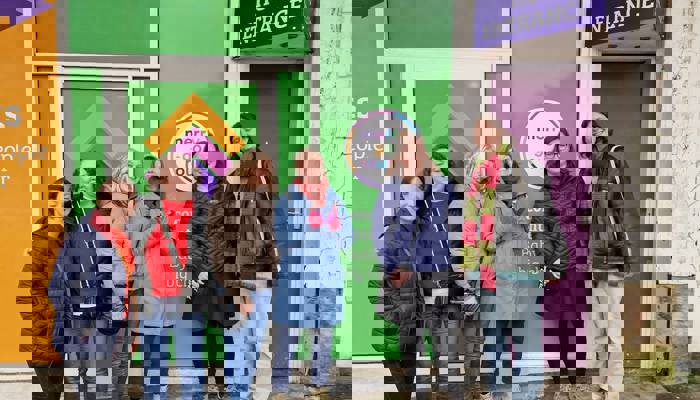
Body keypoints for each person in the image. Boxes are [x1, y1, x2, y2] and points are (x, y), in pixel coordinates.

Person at [463, 111, 569, 400]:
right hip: (517, 270)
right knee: (519, 335)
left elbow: (476, 233)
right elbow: (552, 224)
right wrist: (552, 266)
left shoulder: (484, 182)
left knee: (498, 334)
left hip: (500, 271)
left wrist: (471, 274)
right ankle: (522, 392)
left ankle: (505, 392)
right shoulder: (529, 174)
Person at [379, 130, 478, 400]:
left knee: (440, 343)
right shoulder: (409, 190)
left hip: (437, 276)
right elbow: (394, 235)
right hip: (415, 279)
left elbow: (460, 235)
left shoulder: (446, 191)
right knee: (417, 346)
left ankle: (442, 390)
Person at [272, 148, 351, 397]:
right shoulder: (288, 199)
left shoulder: (334, 199)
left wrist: (338, 231)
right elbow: (278, 234)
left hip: (329, 276)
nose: (313, 171)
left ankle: (322, 378)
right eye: (307, 166)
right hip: (300, 277)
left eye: (317, 165)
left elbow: (348, 238)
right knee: (302, 329)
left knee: (324, 329)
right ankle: (292, 379)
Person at [49, 177, 137, 400]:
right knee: (97, 378)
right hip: (99, 320)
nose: (132, 207)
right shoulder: (91, 233)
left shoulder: (120, 232)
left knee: (111, 375)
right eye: (128, 201)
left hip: (113, 317)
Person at [207, 147, 279, 400]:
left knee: (254, 340)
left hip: (262, 279)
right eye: (256, 173)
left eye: (265, 173)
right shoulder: (229, 197)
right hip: (238, 280)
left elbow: (269, 242)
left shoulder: (266, 202)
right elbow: (218, 244)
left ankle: (242, 391)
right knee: (236, 339)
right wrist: (234, 287)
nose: (262, 178)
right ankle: (236, 393)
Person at [583, 112, 641, 400]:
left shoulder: (614, 162)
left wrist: (628, 255)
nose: (590, 136)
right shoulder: (584, 169)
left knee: (612, 324)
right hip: (591, 259)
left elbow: (626, 210)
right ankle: (601, 383)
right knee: (597, 324)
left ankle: (614, 385)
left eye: (594, 131)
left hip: (610, 256)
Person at [19, 179, 74, 400]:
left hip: (65, 318)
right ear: (52, 202)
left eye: (70, 201)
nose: (68, 205)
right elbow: (31, 284)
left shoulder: (71, 235)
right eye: (64, 200)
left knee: (56, 385)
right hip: (46, 317)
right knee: (47, 377)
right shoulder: (40, 238)